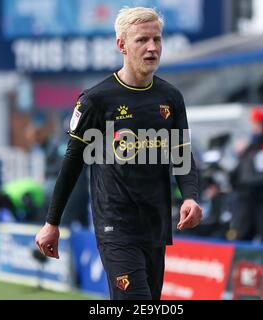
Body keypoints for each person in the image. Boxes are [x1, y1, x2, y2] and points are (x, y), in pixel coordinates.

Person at [35, 7, 203, 300]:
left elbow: (182, 154)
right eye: (142, 40)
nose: (152, 48)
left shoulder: (171, 97)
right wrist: (52, 222)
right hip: (116, 226)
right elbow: (72, 162)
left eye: (157, 39)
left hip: (155, 226)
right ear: (122, 45)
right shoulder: (96, 100)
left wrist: (190, 195)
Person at [229, 107, 263, 243]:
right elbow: (237, 172)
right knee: (242, 236)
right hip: (247, 202)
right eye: (254, 125)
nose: (255, 129)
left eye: (258, 126)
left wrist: (246, 182)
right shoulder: (251, 149)